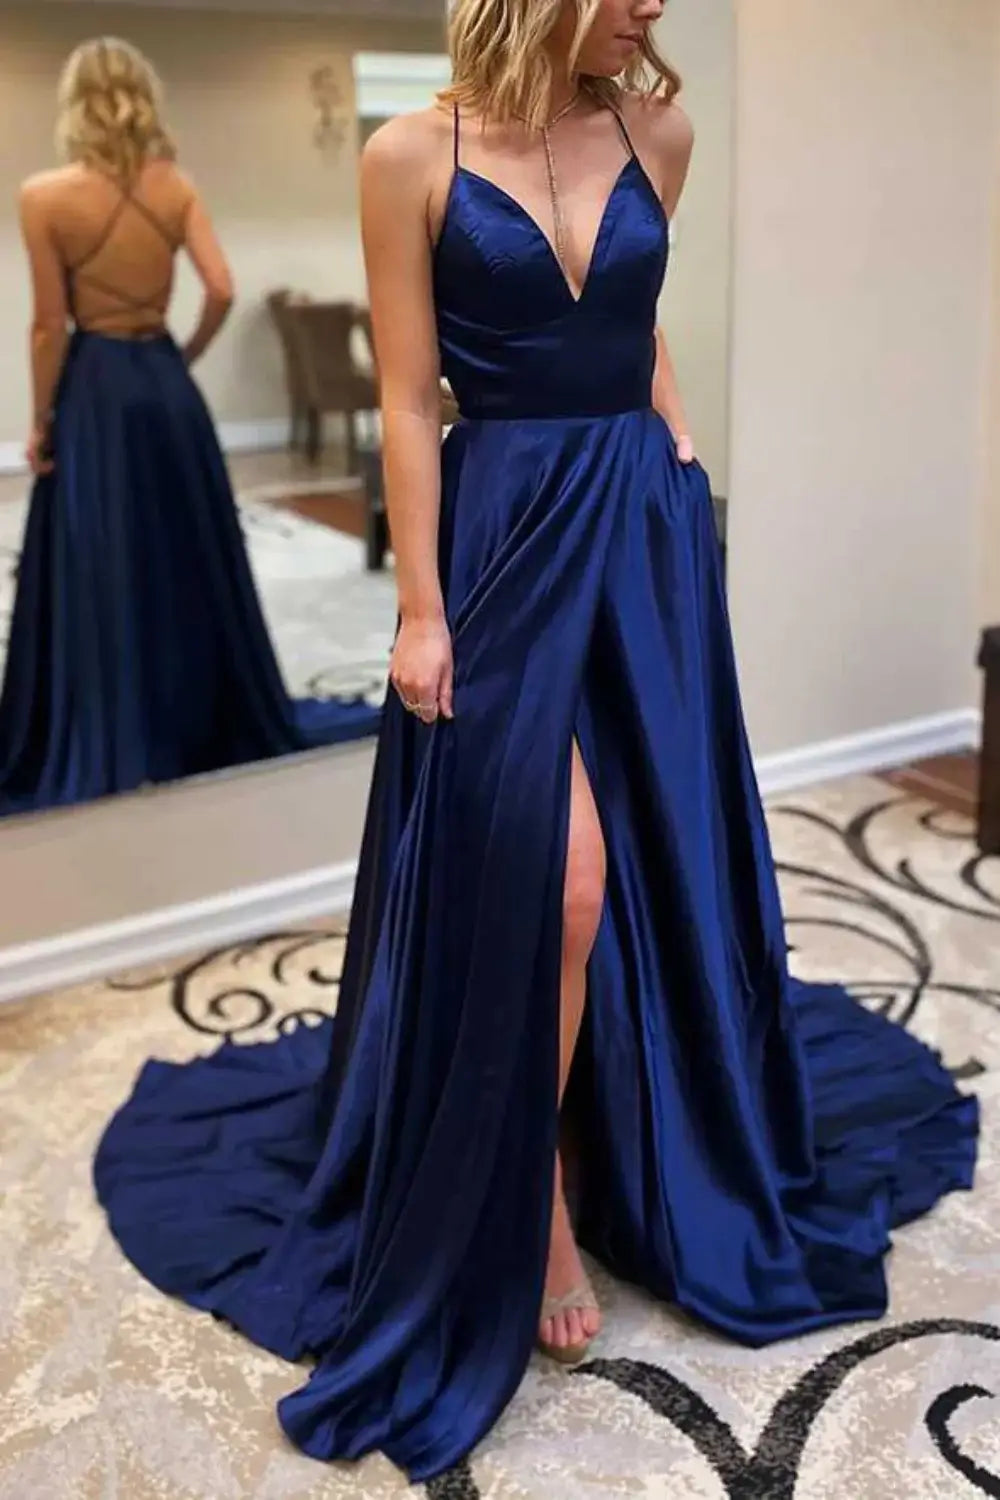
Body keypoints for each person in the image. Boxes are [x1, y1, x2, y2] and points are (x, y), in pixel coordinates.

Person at [93, 0, 979, 1485]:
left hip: (639, 532)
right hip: (501, 531)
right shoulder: (407, 155)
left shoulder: (659, 128)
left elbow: (631, 322)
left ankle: (613, 1140)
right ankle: (533, 1201)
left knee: (649, 852)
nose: (654, 5)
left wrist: (675, 426)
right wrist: (419, 607)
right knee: (555, 879)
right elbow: (402, 394)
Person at [0, 37, 376, 817]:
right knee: (184, 543)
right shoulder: (174, 187)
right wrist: (185, 354)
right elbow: (221, 287)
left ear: (74, 102)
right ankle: (193, 705)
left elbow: (46, 327)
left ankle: (111, 715)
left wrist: (41, 420)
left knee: (101, 547)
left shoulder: (43, 197)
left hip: (96, 386)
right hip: (164, 382)